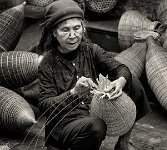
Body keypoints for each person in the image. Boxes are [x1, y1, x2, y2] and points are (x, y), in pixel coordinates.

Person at [38, 0, 151, 149]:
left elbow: (120, 68)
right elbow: (45, 106)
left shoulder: (91, 50)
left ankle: (123, 143)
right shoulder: (47, 63)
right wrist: (73, 93)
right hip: (64, 127)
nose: (72, 35)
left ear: (83, 28)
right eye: (65, 30)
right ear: (54, 32)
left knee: (133, 84)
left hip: (92, 113)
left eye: (77, 28)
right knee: (96, 126)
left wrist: (120, 81)